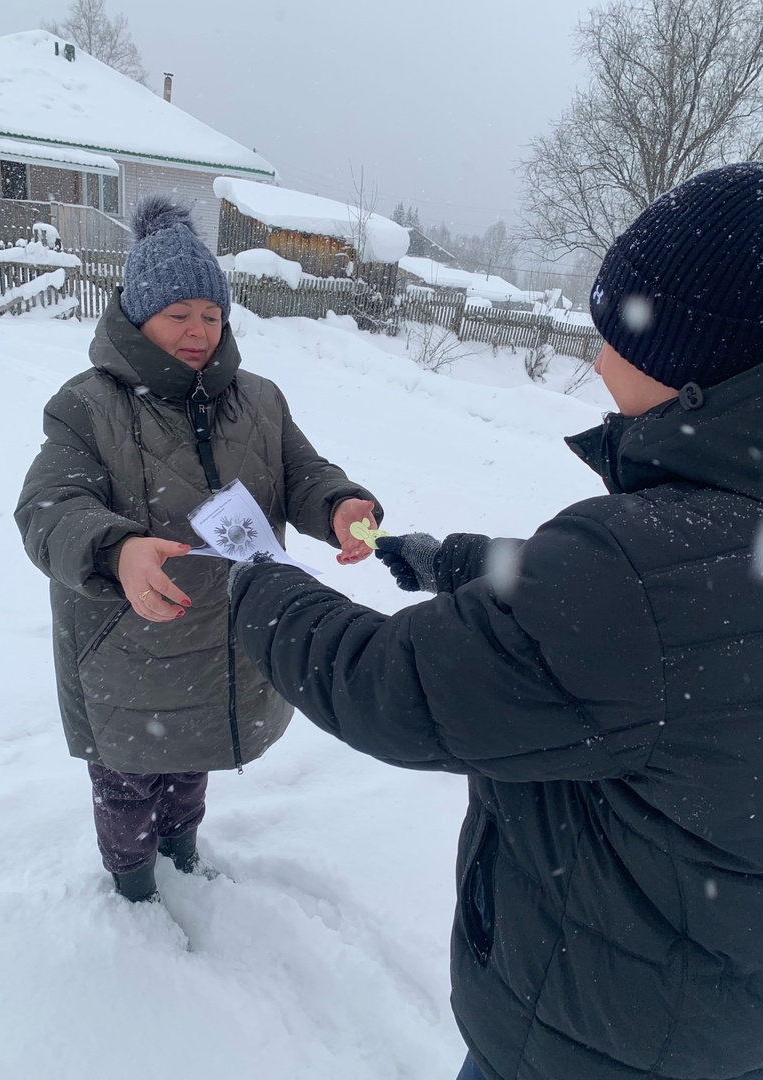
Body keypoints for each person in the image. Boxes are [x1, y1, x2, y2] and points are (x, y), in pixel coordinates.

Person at [226, 163, 763, 1080]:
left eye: (619, 333)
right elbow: (656, 616)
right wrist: (455, 561)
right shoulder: (704, 546)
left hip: (585, 1039)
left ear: (701, 361)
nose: (594, 359)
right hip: (717, 1022)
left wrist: (249, 579)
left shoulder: (634, 573)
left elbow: (386, 687)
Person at [15, 194, 382, 905]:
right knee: (127, 785)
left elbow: (302, 473)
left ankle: (182, 852)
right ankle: (132, 889)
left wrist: (339, 505)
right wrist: (117, 552)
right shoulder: (87, 406)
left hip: (225, 637)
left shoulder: (261, 399)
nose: (198, 332)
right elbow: (49, 507)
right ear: (137, 313)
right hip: (127, 644)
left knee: (194, 762)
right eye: (178, 314)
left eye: (211, 315)